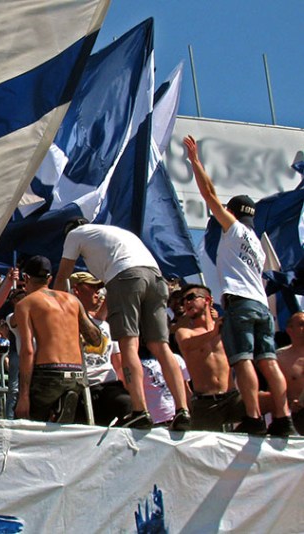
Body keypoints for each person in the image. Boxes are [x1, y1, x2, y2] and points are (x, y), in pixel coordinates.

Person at [184, 135, 291, 436]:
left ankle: (254, 417)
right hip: (261, 306)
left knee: (243, 360)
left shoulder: (233, 231)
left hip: (240, 302)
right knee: (268, 361)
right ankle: (283, 417)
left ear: (232, 213)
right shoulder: (256, 243)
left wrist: (195, 162)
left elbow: (209, 195)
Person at [54, 220, 191, 430]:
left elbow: (63, 276)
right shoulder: (114, 233)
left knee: (129, 345)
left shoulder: (75, 234)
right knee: (161, 346)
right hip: (156, 278)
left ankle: (139, 410)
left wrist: (56, 307)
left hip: (126, 277)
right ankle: (182, 410)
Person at [15, 256, 102, 424]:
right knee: (60, 427)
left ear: (25, 278)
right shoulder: (72, 300)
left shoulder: (25, 304)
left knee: (27, 424)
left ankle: (54, 412)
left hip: (50, 372)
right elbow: (95, 339)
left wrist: (23, 396)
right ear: (49, 279)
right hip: (77, 373)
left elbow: (27, 350)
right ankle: (60, 409)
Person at [174, 284, 245, 431]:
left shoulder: (224, 327)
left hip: (232, 396)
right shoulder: (185, 332)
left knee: (268, 402)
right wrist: (213, 333)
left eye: (191, 297)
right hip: (205, 401)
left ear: (207, 300)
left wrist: (218, 326)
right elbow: (188, 345)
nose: (186, 303)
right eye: (183, 301)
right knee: (205, 444)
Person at [69, 271, 132, 426]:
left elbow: (118, 362)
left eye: (99, 288)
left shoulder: (106, 324)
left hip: (109, 385)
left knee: (127, 407)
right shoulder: (66, 321)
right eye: (92, 287)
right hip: (80, 388)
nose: (97, 292)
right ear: (76, 290)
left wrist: (128, 386)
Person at [277, 312, 304, 435]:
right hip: (298, 417)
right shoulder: (280, 358)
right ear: (289, 330)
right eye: (302, 324)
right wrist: (290, 402)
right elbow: (272, 390)